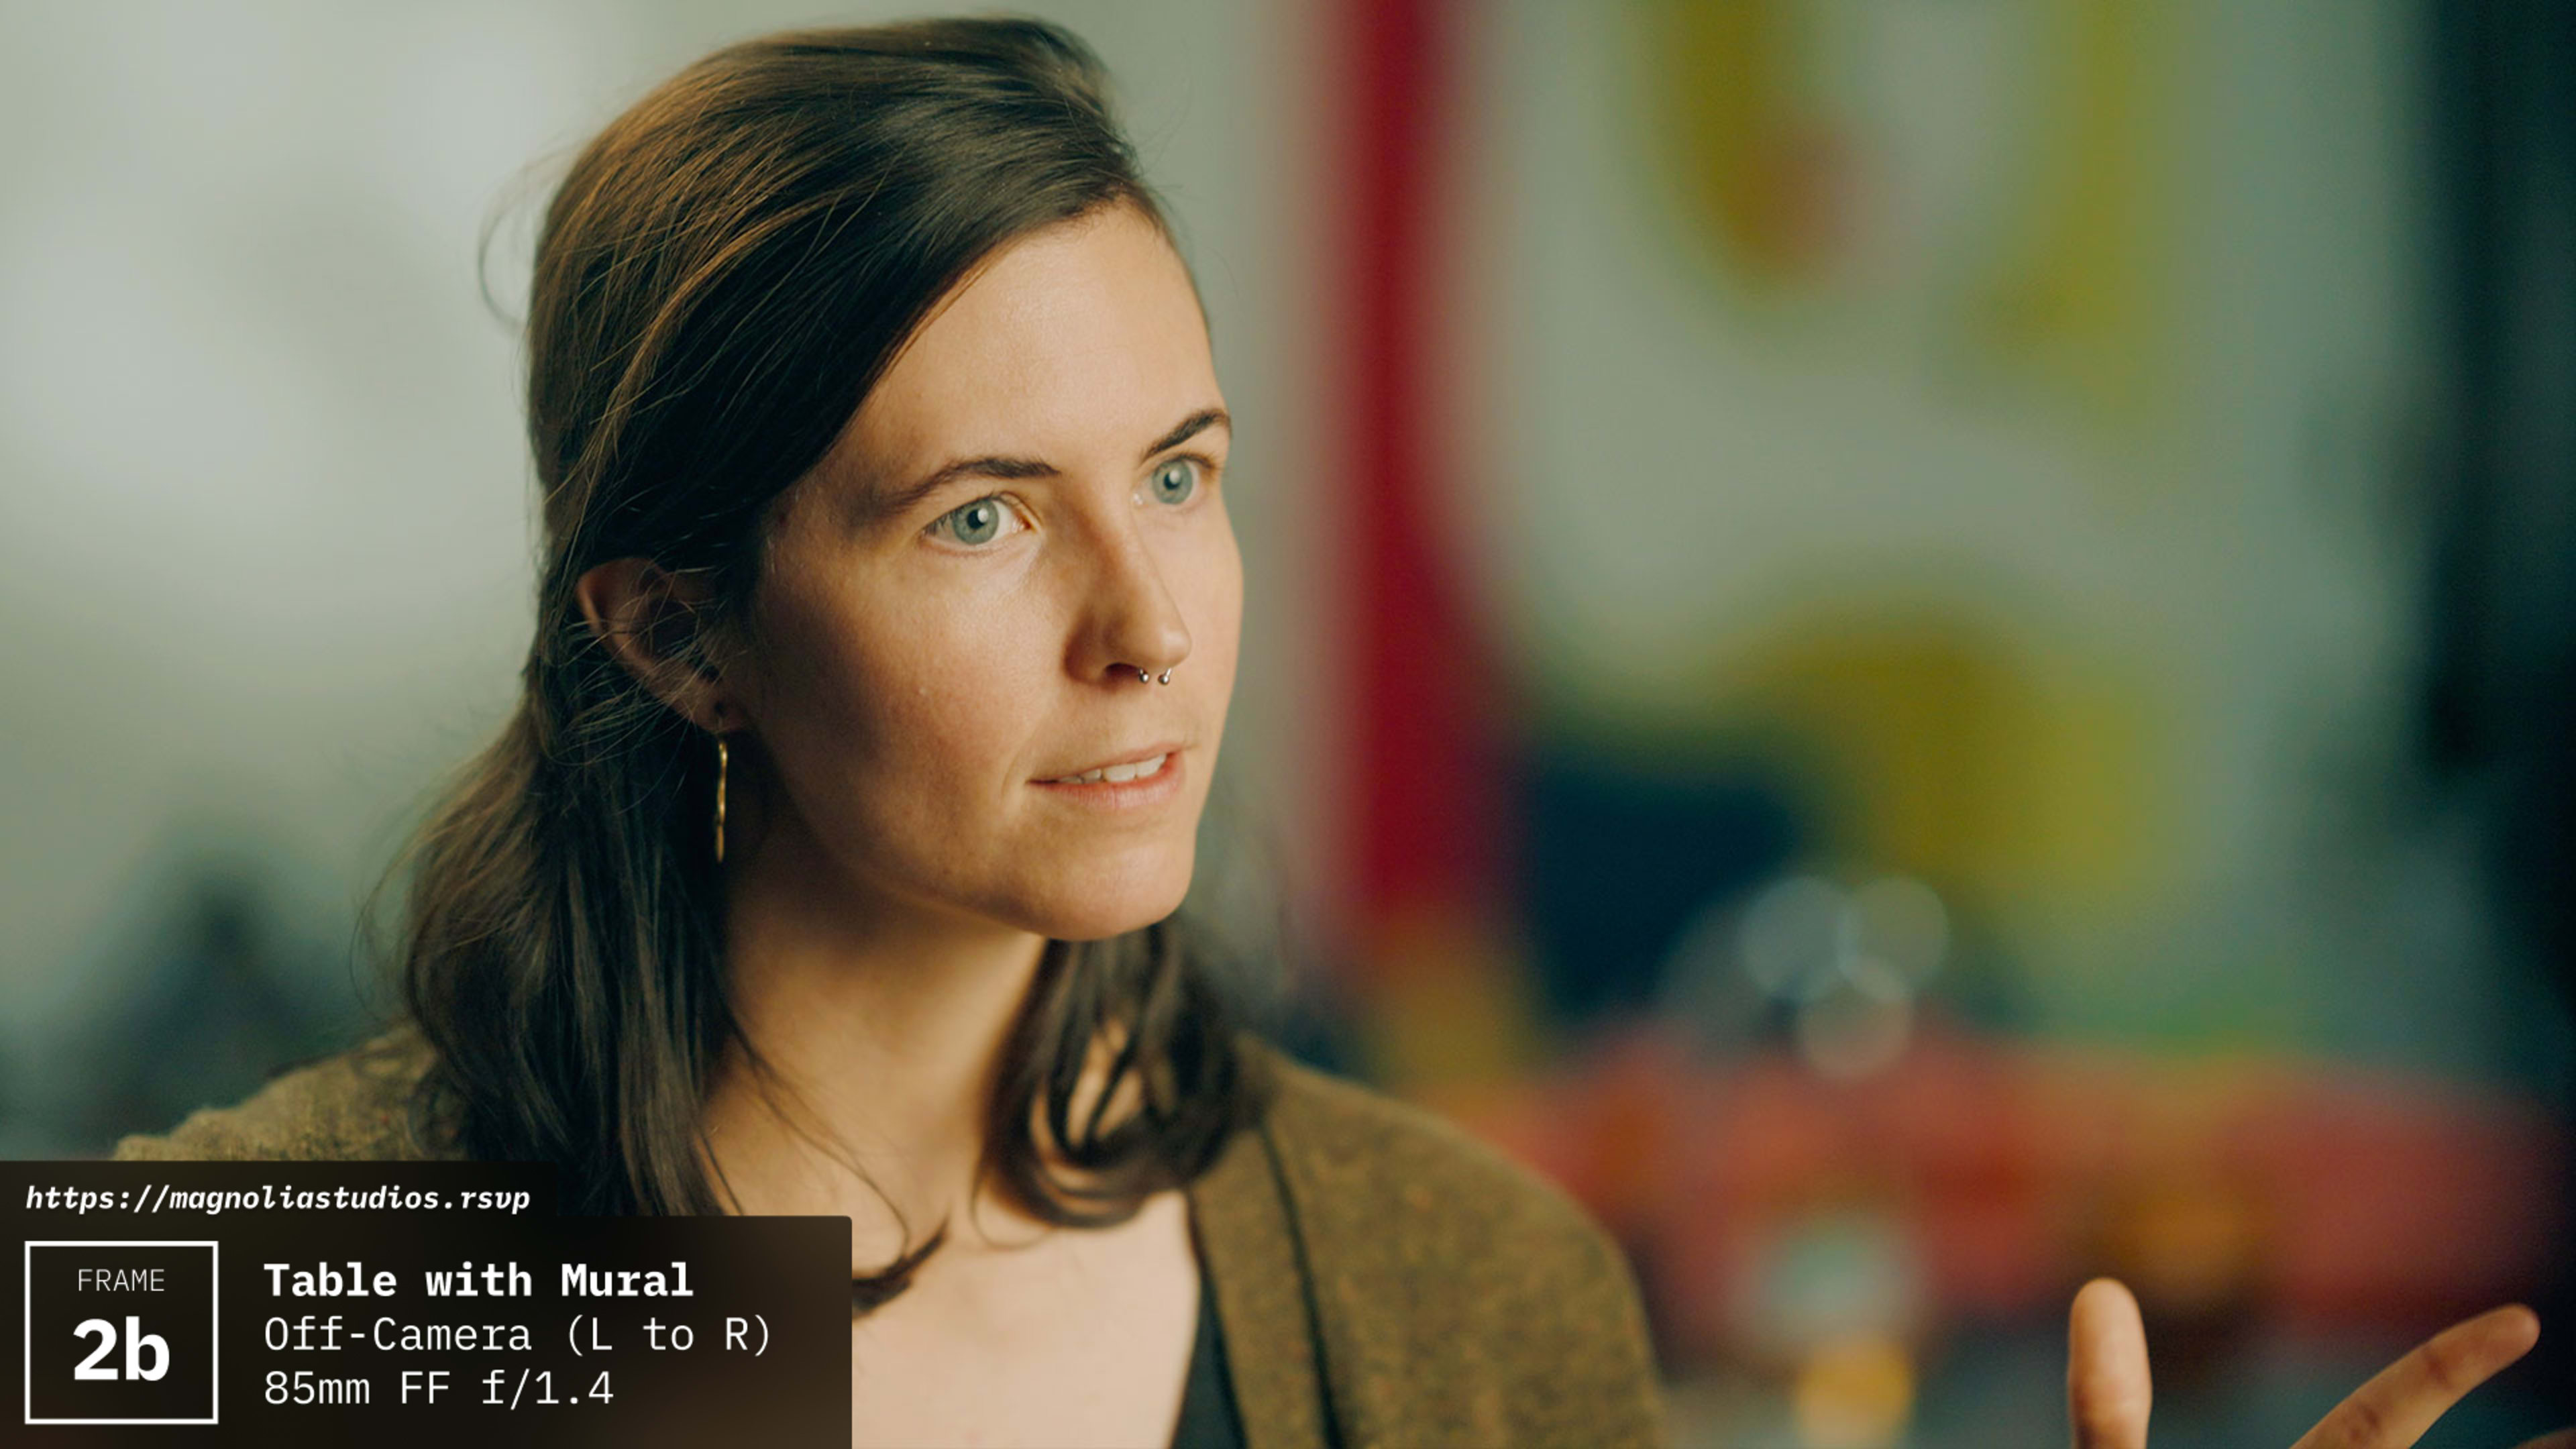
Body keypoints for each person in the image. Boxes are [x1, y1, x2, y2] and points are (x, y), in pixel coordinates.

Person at [113, 16, 2559, 1449]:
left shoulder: (1455, 1293)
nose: (1151, 623)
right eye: (984, 520)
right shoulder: (360, 1273)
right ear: (675, 632)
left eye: (1183, 479)